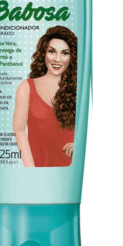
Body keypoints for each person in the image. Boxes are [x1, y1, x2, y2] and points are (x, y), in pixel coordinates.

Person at [13, 26, 77, 167]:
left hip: (71, 169)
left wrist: (81, 144)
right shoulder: (26, 88)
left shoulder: (79, 89)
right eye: (52, 51)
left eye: (65, 53)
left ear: (72, 57)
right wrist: (30, 168)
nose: (57, 59)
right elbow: (19, 131)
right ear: (44, 53)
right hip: (38, 170)